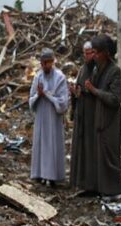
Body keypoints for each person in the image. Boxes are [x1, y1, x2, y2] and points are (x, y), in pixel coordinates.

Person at [82, 34, 121, 200]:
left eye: (97, 52)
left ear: (106, 53)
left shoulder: (115, 71)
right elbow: (90, 87)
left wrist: (94, 90)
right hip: (99, 118)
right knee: (99, 155)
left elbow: (115, 99)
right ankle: (101, 188)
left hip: (110, 120)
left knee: (109, 155)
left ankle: (114, 191)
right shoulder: (97, 69)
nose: (95, 56)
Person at [29, 48, 70, 187]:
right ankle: (40, 174)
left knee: (53, 144)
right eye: (43, 63)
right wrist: (39, 95)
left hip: (53, 117)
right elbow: (31, 99)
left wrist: (47, 95)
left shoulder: (60, 77)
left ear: (52, 62)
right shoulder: (38, 77)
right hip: (41, 115)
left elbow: (63, 101)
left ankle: (53, 177)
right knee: (41, 144)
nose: (46, 66)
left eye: (48, 63)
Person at [70, 41, 98, 191]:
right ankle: (80, 181)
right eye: (85, 53)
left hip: (92, 114)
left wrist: (87, 91)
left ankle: (91, 183)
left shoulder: (98, 70)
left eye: (90, 53)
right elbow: (79, 87)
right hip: (82, 112)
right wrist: (74, 93)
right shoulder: (82, 69)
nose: (87, 56)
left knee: (90, 147)